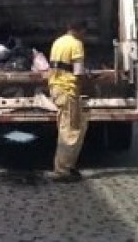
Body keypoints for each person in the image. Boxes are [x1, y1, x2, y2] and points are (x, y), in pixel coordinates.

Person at [47, 20, 88, 182]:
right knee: (70, 130)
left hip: (56, 88)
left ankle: (66, 166)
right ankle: (62, 170)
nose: (84, 36)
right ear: (79, 31)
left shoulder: (58, 42)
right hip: (68, 89)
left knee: (64, 126)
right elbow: (78, 72)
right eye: (84, 32)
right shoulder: (76, 44)